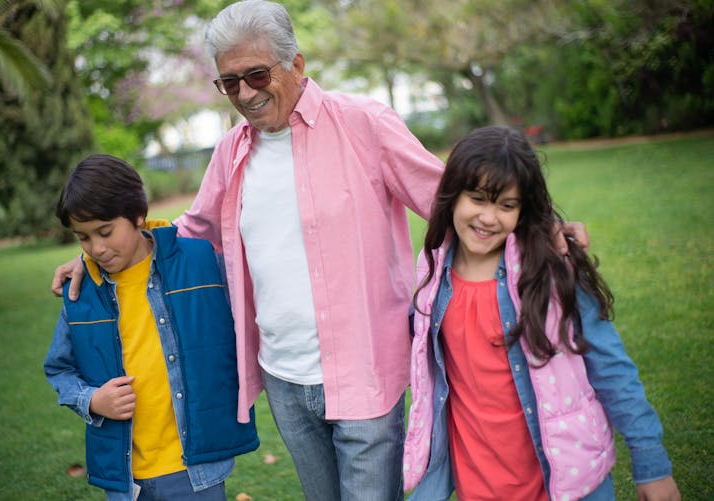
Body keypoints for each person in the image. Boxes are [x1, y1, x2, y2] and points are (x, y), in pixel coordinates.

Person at [51, 2, 587, 499]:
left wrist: (546, 227)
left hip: (365, 372)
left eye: (256, 76)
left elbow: (446, 197)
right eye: (228, 82)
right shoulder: (230, 153)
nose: (243, 93)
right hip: (283, 379)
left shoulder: (364, 123)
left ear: (296, 64)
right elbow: (192, 231)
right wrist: (100, 252)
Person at [403, 126, 680, 501]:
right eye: (478, 199)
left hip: (567, 485)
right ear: (452, 195)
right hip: (480, 486)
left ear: (524, 209)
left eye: (506, 205)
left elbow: (611, 367)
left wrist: (652, 463)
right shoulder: (432, 268)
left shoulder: (551, 269)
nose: (488, 217)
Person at [44, 154, 259, 501]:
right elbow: (59, 369)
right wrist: (92, 400)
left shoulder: (202, 263)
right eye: (83, 238)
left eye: (105, 231)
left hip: (196, 469)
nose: (96, 248)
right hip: (126, 481)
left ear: (138, 216)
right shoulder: (80, 294)